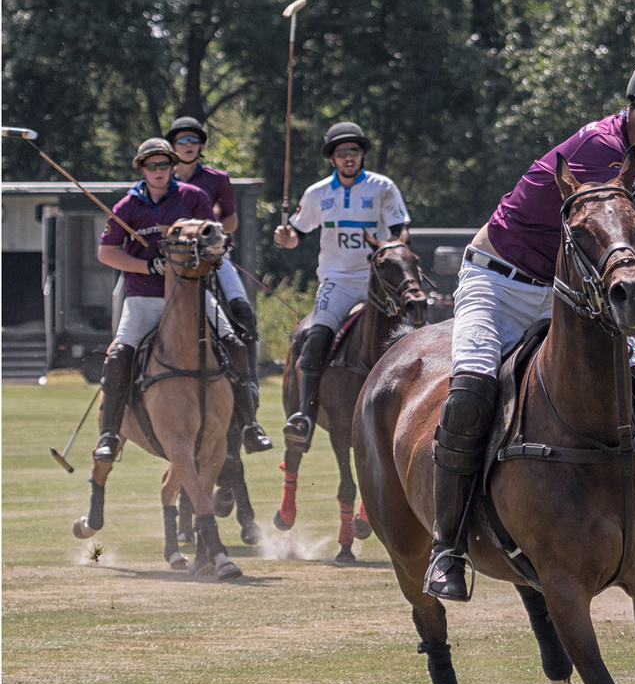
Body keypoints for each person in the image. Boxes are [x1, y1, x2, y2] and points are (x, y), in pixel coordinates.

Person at [426, 52, 635, 612]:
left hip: (568, 294)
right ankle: (448, 547)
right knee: (472, 389)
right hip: (499, 282)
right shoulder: (600, 148)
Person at [93, 139, 259, 461]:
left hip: (191, 296)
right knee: (116, 361)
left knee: (235, 346)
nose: (159, 171)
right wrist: (148, 264)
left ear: (172, 167)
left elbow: (215, 237)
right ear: (142, 169)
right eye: (152, 166)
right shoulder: (127, 207)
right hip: (144, 297)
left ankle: (250, 424)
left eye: (164, 165)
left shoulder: (192, 197)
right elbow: (106, 253)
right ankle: (110, 436)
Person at [273, 122, 411, 451]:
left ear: (362, 155)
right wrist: (285, 238)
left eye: (355, 151)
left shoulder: (382, 187)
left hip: (379, 283)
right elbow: (296, 234)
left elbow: (400, 232)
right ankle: (304, 416)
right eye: (341, 153)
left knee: (413, 333)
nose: (349, 158)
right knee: (314, 336)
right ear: (332, 159)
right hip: (337, 282)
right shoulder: (318, 193)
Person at [164, 115, 271, 453]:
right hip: (172, 263)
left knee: (242, 310)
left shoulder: (216, 179)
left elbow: (232, 219)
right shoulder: (160, 180)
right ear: (173, 146)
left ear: (201, 146)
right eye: (182, 141)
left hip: (213, 258)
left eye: (193, 141)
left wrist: (212, 236)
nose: (188, 146)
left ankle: (249, 385)